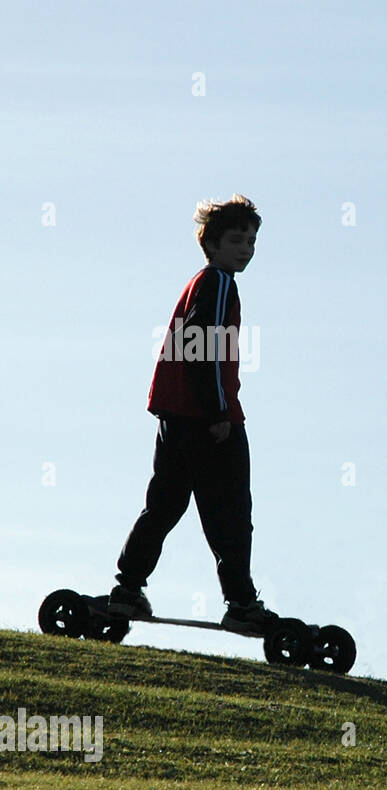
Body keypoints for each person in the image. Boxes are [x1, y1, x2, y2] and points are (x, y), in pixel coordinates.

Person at [107, 195, 278, 635]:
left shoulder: (200, 284)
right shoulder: (218, 284)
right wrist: (218, 411)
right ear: (213, 243)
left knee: (163, 506)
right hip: (208, 419)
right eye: (238, 239)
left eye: (253, 241)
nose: (247, 249)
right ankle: (241, 602)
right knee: (231, 511)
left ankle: (126, 588)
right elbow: (205, 346)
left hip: (175, 417)